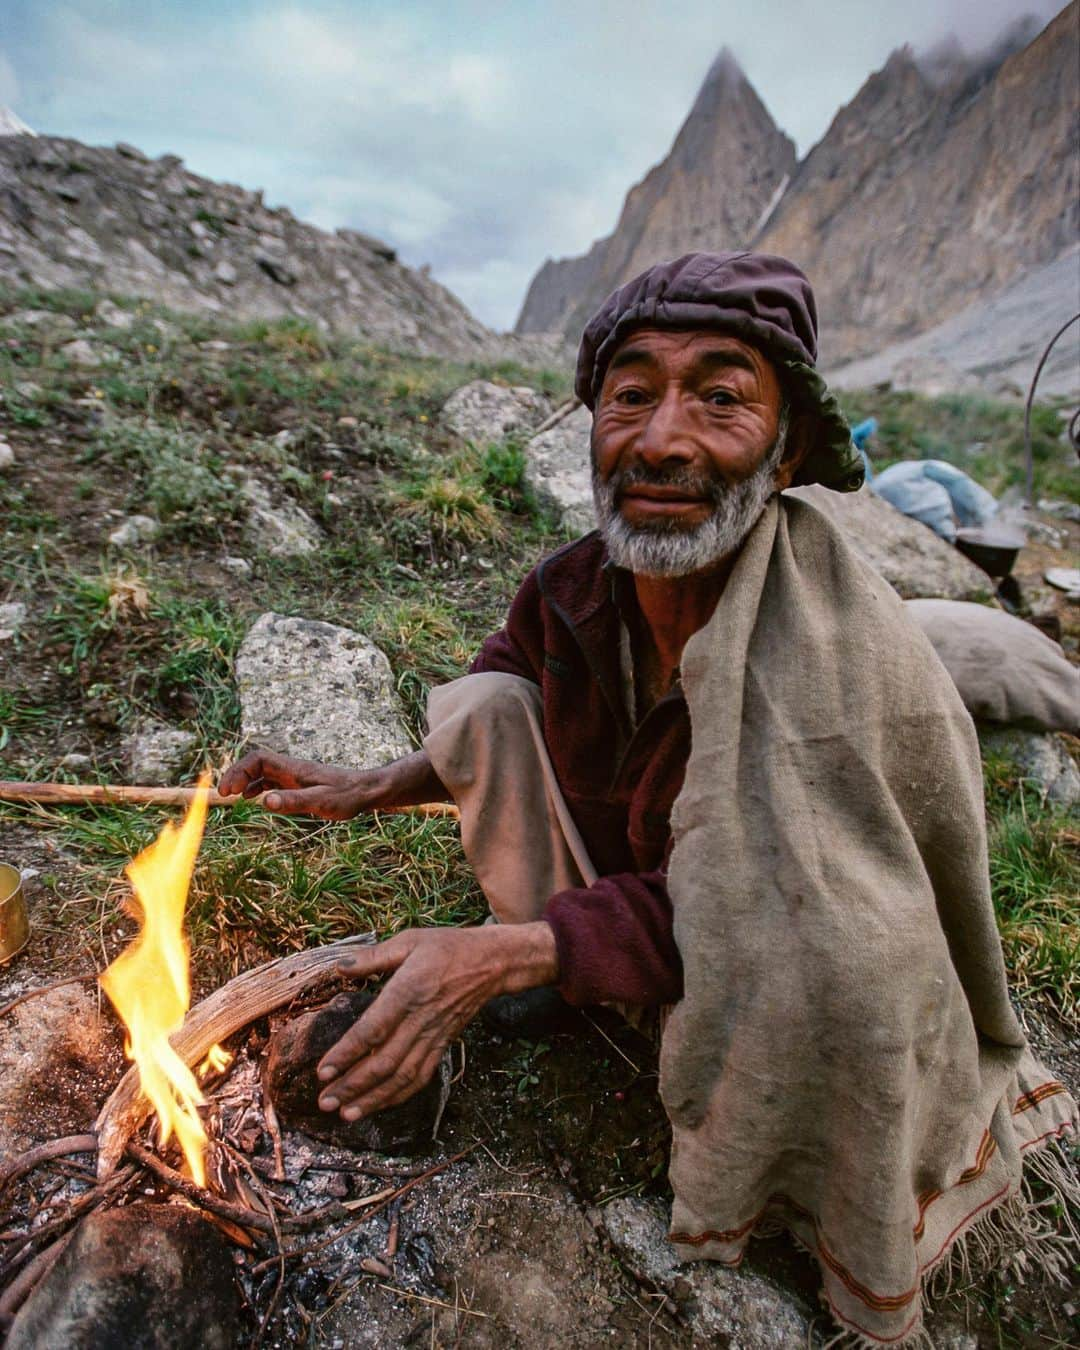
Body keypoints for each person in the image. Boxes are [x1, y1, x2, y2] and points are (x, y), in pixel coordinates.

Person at [221, 252, 1076, 1343]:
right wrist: (376, 784)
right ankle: (597, 980)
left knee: (849, 973)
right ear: (593, 429)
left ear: (787, 449)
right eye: (632, 395)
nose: (663, 438)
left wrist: (511, 950)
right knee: (482, 703)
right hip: (648, 892)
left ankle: (747, 1130)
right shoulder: (578, 586)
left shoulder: (823, 650)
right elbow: (513, 682)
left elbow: (767, 899)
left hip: (781, 935)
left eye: (721, 398)